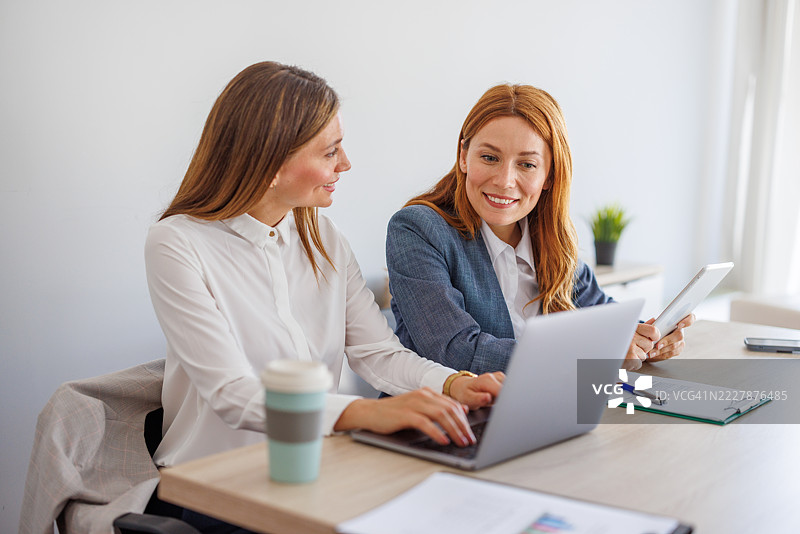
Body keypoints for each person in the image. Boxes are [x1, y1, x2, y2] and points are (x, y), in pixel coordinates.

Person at [145, 62, 503, 533]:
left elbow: (376, 353)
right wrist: (369, 413)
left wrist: (454, 384)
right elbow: (233, 394)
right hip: (215, 492)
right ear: (270, 163)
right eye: (330, 151)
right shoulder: (177, 243)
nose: (346, 164)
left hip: (314, 478)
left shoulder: (323, 238)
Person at [385, 83, 694, 375]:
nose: (505, 180)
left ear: (549, 176)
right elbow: (456, 352)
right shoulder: (418, 230)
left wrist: (649, 337)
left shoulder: (548, 239)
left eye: (527, 164)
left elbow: (603, 317)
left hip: (544, 412)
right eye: (489, 157)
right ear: (464, 155)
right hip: (446, 423)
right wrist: (598, 351)